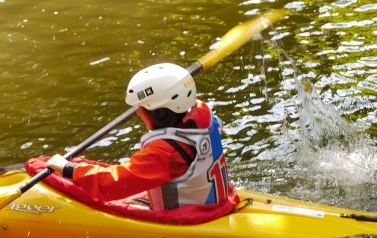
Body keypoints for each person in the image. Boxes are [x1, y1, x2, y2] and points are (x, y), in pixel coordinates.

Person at [28, 63, 236, 212]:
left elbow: (113, 185)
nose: (138, 113)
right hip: (215, 201)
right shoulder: (202, 114)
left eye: (141, 109)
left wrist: (68, 169)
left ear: (160, 112)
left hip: (188, 217)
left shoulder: (164, 152)